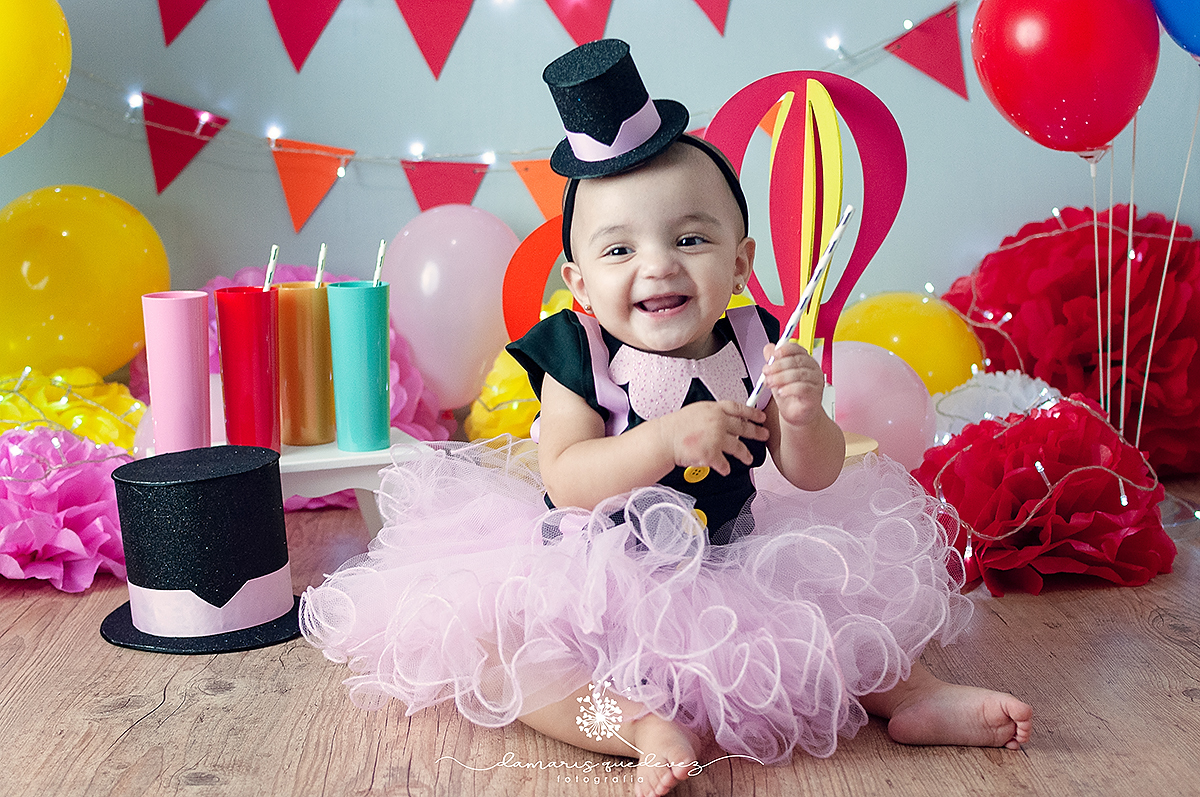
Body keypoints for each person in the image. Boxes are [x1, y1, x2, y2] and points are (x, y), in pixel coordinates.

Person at [300, 39, 1032, 797]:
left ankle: (911, 694)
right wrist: (663, 439)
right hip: (594, 575)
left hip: (733, 561)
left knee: (833, 617)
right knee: (510, 655)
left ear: (740, 263)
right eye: (620, 248)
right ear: (580, 284)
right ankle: (638, 725)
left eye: (690, 238)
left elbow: (810, 475)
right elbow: (568, 476)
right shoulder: (577, 353)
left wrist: (806, 414)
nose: (658, 265)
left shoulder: (758, 338)